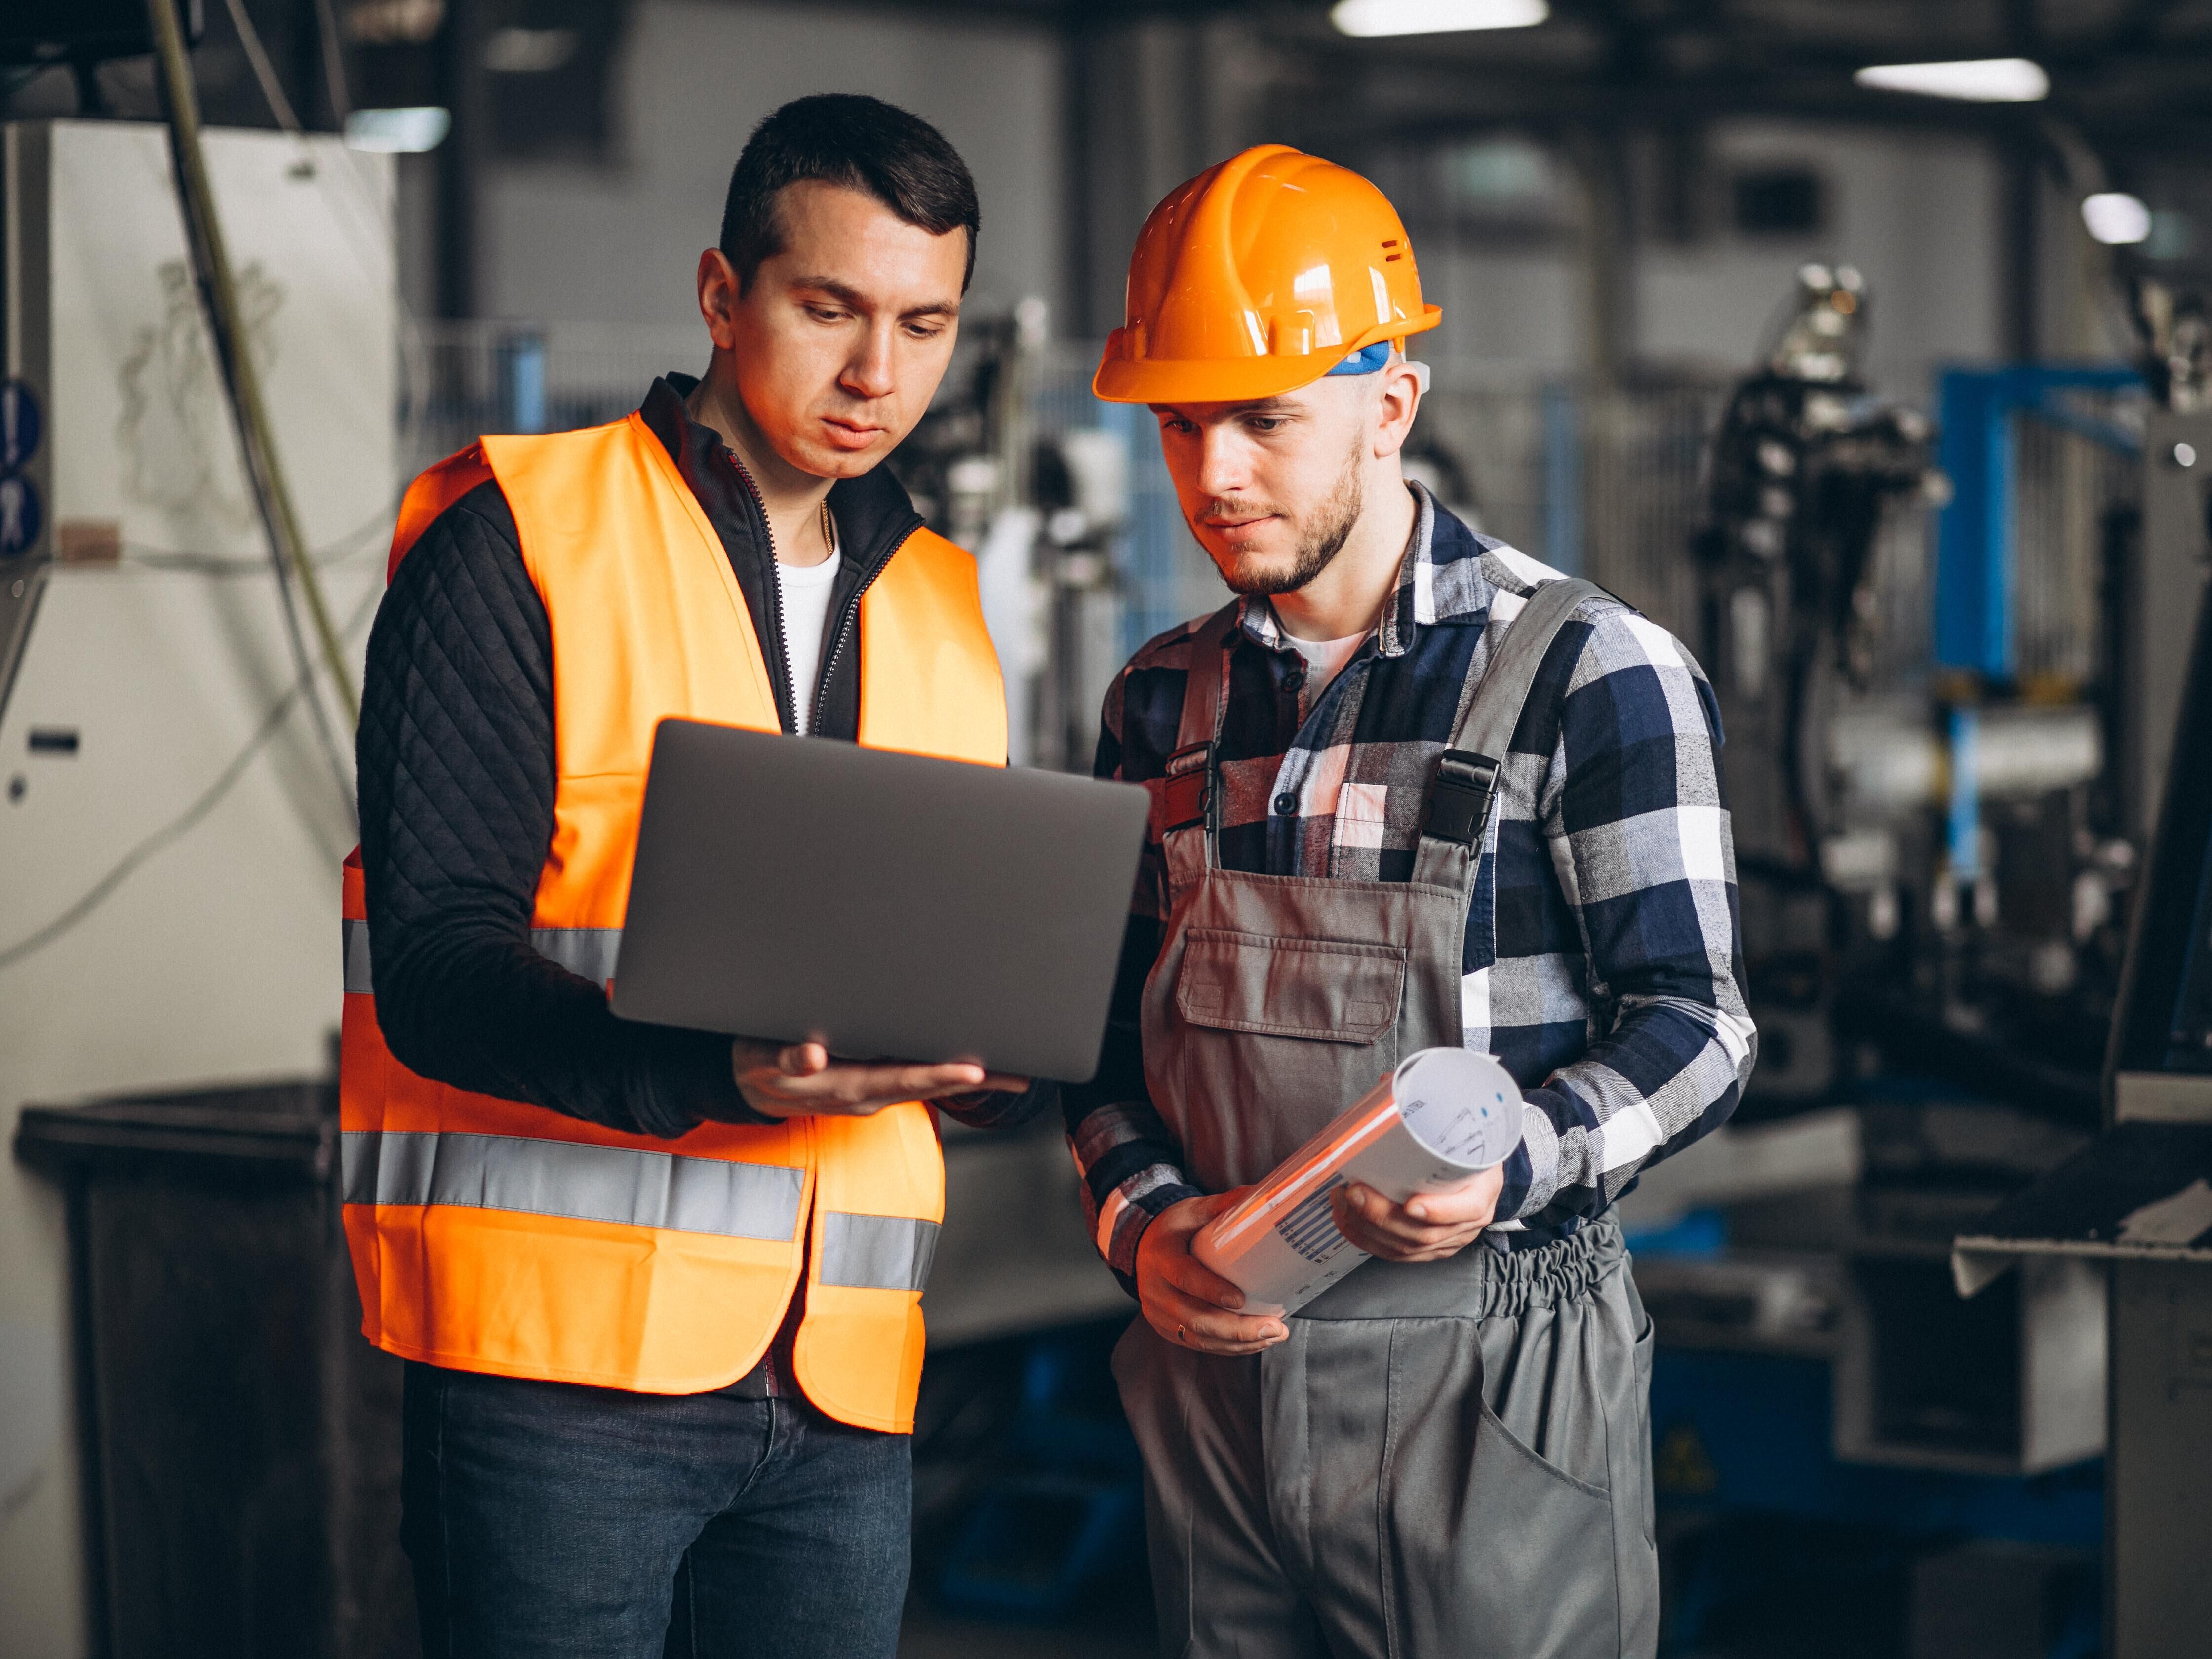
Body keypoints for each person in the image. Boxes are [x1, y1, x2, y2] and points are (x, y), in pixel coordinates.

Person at [345, 94, 1045, 1659]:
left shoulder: (938, 598)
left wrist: (997, 1062)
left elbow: (940, 955)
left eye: (925, 324)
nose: (880, 375)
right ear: (724, 295)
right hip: (560, 1378)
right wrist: (711, 1070)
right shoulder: (521, 538)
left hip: (844, 1377)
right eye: (830, 310)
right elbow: (439, 968)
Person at [1066, 144, 1757, 1659]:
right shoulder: (1161, 702)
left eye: (1264, 421)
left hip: (1493, 1388)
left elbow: (1698, 1028)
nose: (1215, 476)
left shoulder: (1586, 671)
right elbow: (1103, 1052)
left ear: (1391, 407)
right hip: (1215, 1391)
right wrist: (1147, 1230)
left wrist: (1524, 1151)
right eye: (1181, 426)